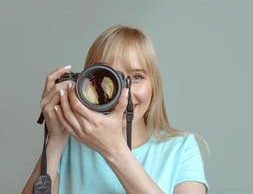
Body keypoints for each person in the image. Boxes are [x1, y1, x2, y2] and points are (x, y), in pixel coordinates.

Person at [22, 25, 209, 194]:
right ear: (85, 84)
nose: (123, 94)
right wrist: (55, 139)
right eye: (107, 80)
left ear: (154, 84)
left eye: (136, 77)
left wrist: (114, 150)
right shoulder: (69, 144)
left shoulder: (181, 148)